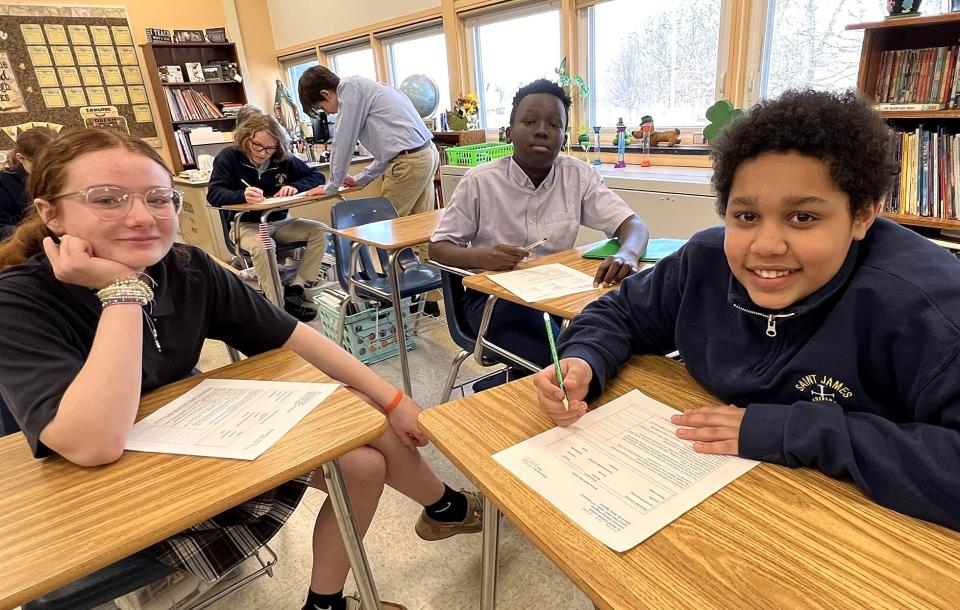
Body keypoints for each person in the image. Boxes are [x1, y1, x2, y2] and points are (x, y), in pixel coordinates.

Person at [0, 129, 482, 610]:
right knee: (360, 455)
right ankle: (448, 507)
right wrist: (122, 292)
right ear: (51, 213)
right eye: (106, 199)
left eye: (158, 197)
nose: (142, 216)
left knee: (362, 457)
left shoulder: (186, 267)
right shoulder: (18, 299)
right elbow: (93, 444)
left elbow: (295, 336)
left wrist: (395, 400)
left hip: (184, 438)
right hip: (99, 493)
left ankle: (332, 598)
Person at [534, 89, 960, 532]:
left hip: (851, 531)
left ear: (862, 216)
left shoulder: (924, 305)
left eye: (803, 218)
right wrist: (584, 359)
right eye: (746, 217)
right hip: (708, 503)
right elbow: (620, 313)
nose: (767, 246)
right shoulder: (703, 260)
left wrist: (791, 431)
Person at [428, 79, 649, 370]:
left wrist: (627, 254)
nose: (542, 130)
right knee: (566, 361)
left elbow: (632, 224)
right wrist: (483, 257)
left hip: (559, 295)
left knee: (625, 340)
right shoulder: (480, 182)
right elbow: (438, 249)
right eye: (529, 121)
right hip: (495, 301)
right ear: (509, 133)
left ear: (564, 136)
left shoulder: (578, 175)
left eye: (554, 125)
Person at [207, 114, 326, 321]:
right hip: (245, 224)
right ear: (246, 138)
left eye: (269, 148)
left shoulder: (282, 158)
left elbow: (317, 177)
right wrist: (240, 195)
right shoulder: (228, 157)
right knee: (264, 245)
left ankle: (296, 289)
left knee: (320, 231)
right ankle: (276, 307)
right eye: (257, 146)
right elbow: (214, 193)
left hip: (279, 221)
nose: (263, 153)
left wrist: (295, 186)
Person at [297, 66, 440, 218]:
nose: (326, 113)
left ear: (325, 93)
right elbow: (389, 154)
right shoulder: (365, 87)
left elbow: (343, 143)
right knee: (419, 225)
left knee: (387, 227)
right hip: (426, 154)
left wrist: (331, 186)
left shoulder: (348, 90)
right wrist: (360, 179)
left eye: (320, 107)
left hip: (411, 162)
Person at [0, 126, 57, 240]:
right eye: (42, 164)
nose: (50, 169)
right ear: (21, 158)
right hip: (23, 250)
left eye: (57, 162)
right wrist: (44, 233)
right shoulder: (4, 182)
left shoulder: (63, 177)